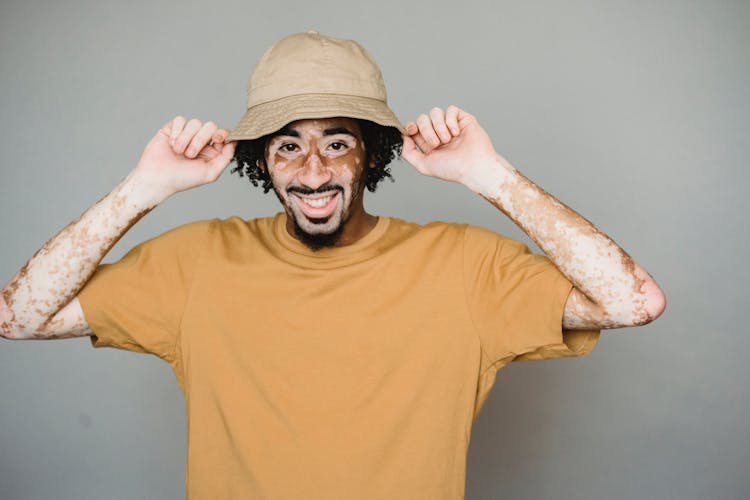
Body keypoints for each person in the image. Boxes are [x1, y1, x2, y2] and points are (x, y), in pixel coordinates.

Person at [0, 30, 665, 499]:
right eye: (287, 146)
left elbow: (631, 301)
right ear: (262, 162)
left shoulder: (461, 266)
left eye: (336, 143)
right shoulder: (197, 261)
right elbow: (20, 317)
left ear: (371, 156)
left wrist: (489, 176)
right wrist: (142, 190)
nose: (312, 170)